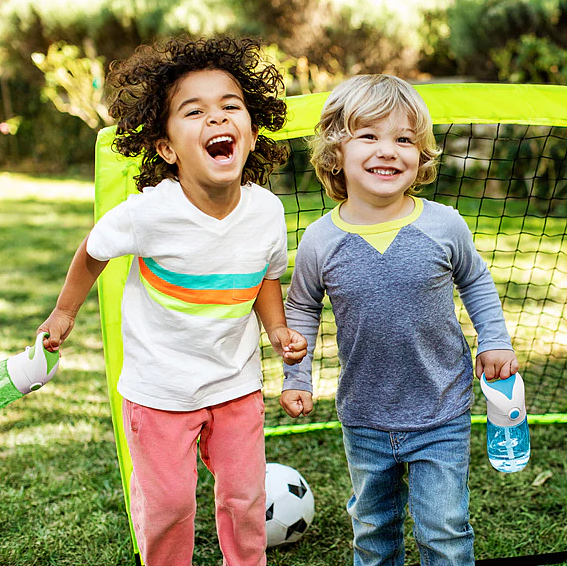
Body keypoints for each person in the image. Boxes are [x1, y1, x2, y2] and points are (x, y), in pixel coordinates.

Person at [38, 35, 307, 566]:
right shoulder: (148, 214)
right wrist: (65, 310)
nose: (217, 118)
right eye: (194, 111)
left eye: (231, 107)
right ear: (166, 148)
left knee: (245, 497)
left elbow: (266, 277)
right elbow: (92, 252)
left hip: (235, 383)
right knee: (168, 505)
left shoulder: (267, 212)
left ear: (251, 133)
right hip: (160, 390)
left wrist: (276, 331)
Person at [279, 74, 519, 566]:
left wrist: (492, 339)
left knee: (444, 531)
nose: (388, 151)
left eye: (404, 139)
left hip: (441, 410)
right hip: (365, 416)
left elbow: (474, 281)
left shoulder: (443, 224)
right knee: (373, 529)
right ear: (335, 151)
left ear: (421, 156)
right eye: (368, 136)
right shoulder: (321, 240)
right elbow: (301, 307)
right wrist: (296, 375)